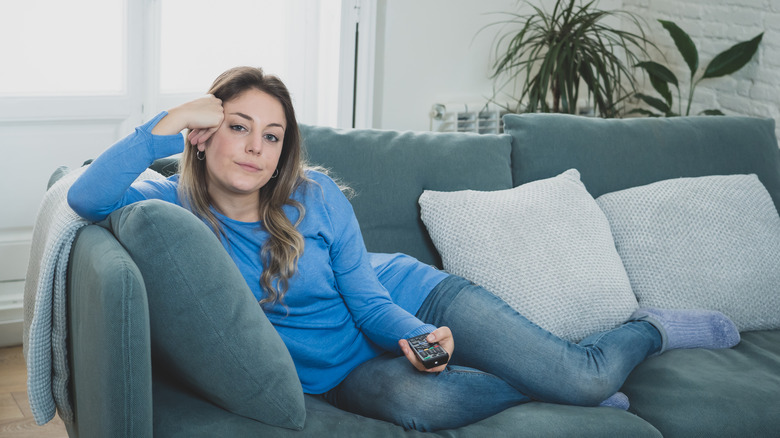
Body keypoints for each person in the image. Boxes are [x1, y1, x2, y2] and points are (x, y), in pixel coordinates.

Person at [67, 66, 740, 432]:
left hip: (408, 298)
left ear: (283, 153)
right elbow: (86, 194)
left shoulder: (314, 196)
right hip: (338, 374)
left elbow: (366, 299)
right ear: (203, 137)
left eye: (271, 136)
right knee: (427, 407)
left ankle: (648, 329)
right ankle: (547, 382)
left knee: (586, 376)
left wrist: (420, 333)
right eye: (236, 126)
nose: (253, 147)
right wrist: (169, 123)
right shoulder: (170, 212)